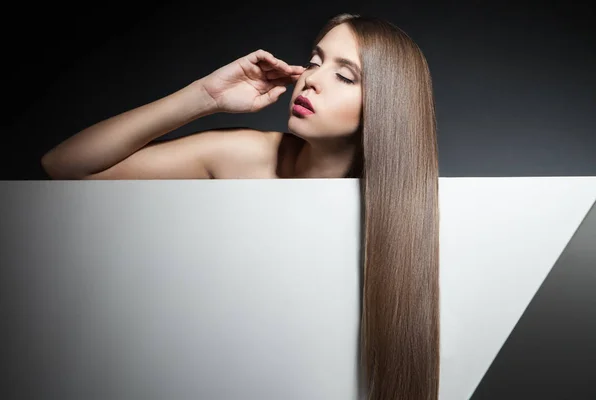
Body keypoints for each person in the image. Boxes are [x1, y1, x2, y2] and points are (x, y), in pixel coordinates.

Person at [42, 13, 441, 400]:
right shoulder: (245, 155)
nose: (312, 79)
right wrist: (205, 97)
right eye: (315, 61)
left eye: (343, 75)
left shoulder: (402, 213)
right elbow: (65, 166)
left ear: (387, 107)